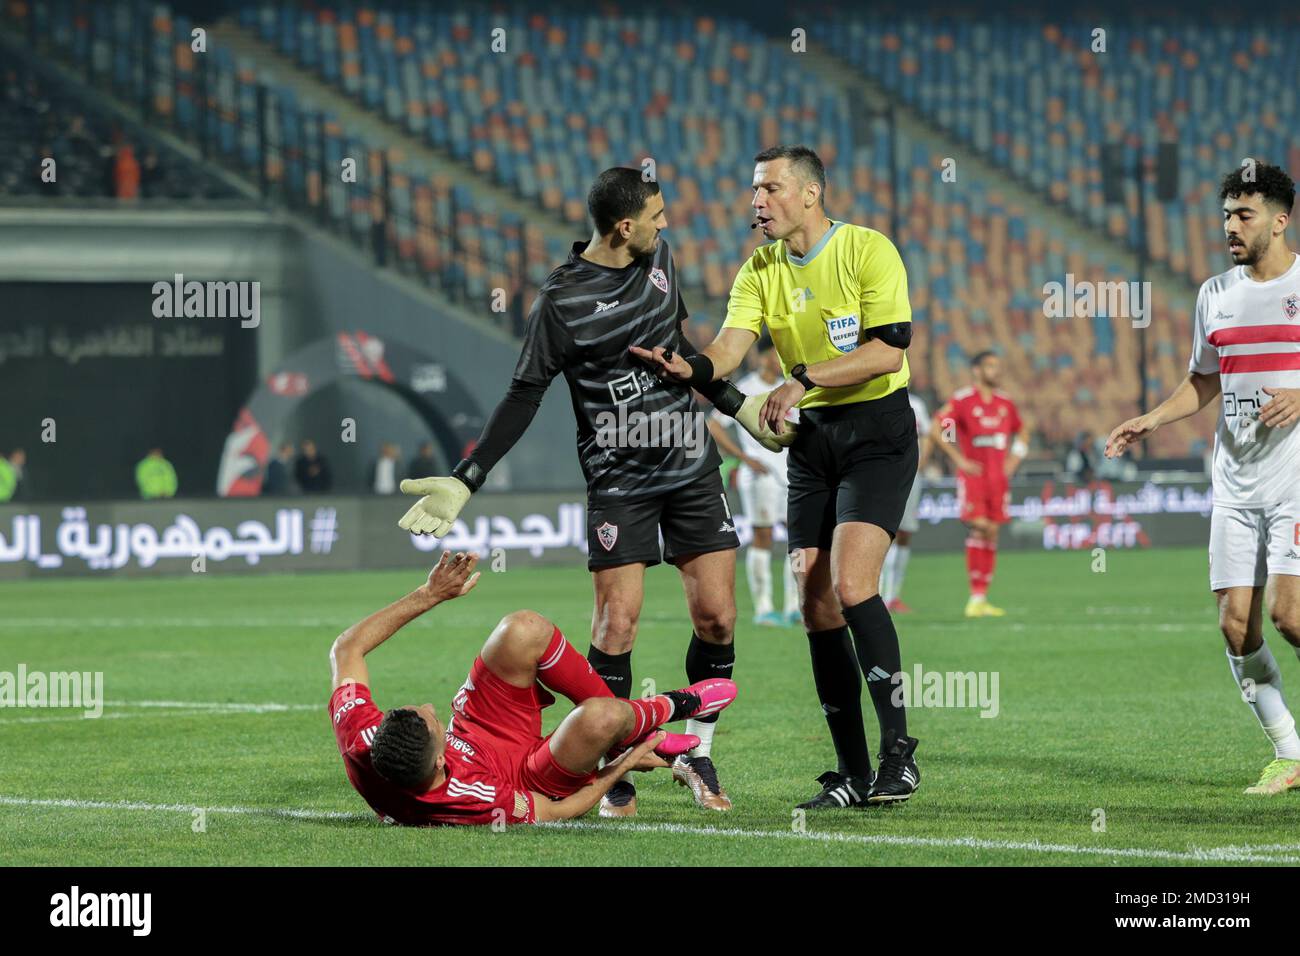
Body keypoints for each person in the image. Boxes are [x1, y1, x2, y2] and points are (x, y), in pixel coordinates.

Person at [398, 167, 786, 818]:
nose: (667, 226)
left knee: (718, 616)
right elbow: (525, 393)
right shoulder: (561, 300)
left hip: (690, 462)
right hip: (619, 478)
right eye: (656, 216)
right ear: (623, 226)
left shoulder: (660, 260)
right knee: (617, 622)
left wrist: (737, 407)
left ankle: (696, 751)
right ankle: (614, 760)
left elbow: (680, 349)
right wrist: (470, 475)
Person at [635, 144, 921, 808]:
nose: (756, 202)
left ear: (810, 194)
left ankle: (899, 754)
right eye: (754, 190)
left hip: (877, 432)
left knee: (852, 585)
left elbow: (887, 350)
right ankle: (850, 774)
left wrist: (801, 379)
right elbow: (729, 349)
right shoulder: (760, 269)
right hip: (813, 445)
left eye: (769, 188)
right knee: (814, 601)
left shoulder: (867, 251)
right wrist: (692, 369)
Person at [1105, 162, 1300, 795]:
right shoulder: (1215, 294)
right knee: (1234, 624)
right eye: (1225, 216)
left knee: (1291, 616)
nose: (1230, 228)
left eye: (1243, 216)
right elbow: (1204, 380)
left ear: (1280, 218)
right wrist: (1152, 419)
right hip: (1236, 481)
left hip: (1296, 476)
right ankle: (1289, 752)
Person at [328, 551, 738, 826]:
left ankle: (638, 731)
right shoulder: (471, 800)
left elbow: (346, 647)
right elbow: (559, 811)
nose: (429, 706)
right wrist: (625, 764)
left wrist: (430, 593)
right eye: (431, 720)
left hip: (476, 730)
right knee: (601, 716)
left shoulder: (362, 739)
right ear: (439, 764)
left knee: (522, 629)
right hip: (529, 775)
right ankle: (672, 707)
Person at [708, 336, 799, 626]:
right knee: (763, 536)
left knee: (797, 540)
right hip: (760, 474)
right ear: (763, 357)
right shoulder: (746, 387)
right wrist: (745, 459)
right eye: (775, 353)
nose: (780, 357)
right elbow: (714, 425)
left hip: (791, 471)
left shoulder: (792, 386)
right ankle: (763, 608)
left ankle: (795, 605)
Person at [930, 351, 1028, 618]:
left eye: (998, 366)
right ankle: (975, 596)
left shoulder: (1004, 403)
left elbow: (1023, 430)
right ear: (976, 370)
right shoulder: (963, 401)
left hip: (998, 478)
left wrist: (1014, 459)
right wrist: (958, 459)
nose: (996, 371)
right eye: (990, 366)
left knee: (992, 531)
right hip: (974, 476)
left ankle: (981, 598)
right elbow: (938, 427)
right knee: (979, 526)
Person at [881, 392, 933, 613]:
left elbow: (929, 434)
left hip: (912, 476)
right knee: (884, 533)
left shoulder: (917, 404)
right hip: (883, 473)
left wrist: (923, 461)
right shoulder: (877, 397)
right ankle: (879, 595)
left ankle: (894, 596)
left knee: (905, 533)